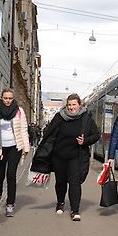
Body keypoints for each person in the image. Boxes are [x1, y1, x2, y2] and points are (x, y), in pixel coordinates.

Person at [40, 93, 99, 221]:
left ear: (79, 105)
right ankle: (60, 202)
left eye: (74, 104)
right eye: (69, 105)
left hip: (76, 156)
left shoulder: (86, 118)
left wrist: (85, 141)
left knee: (75, 182)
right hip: (59, 155)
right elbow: (49, 133)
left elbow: (96, 135)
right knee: (60, 181)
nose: (71, 107)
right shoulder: (59, 117)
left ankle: (75, 210)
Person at [0, 88, 30, 217]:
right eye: (5, 98)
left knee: (11, 175)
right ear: (1, 98)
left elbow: (23, 130)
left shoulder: (19, 111)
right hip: (0, 148)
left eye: (10, 98)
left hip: (14, 147)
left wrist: (26, 147)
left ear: (13, 98)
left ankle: (10, 203)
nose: (8, 100)